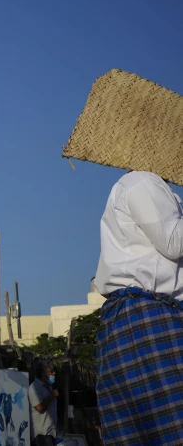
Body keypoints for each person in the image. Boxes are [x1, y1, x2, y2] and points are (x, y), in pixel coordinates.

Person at [95, 170, 183, 445]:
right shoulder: (144, 181)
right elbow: (173, 242)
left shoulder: (150, 187)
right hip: (148, 317)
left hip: (140, 317)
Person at [29, 362, 59, 446]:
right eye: (51, 371)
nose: (54, 373)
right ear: (43, 373)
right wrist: (52, 396)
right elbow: (40, 408)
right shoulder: (34, 387)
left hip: (51, 432)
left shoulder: (49, 387)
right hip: (42, 434)